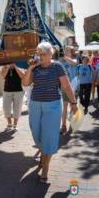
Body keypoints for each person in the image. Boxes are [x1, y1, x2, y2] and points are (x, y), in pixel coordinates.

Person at [22, 42, 78, 183]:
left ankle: (45, 168)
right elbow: (26, 83)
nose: (40, 56)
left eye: (43, 54)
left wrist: (73, 103)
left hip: (53, 106)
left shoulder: (57, 66)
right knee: (37, 134)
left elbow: (66, 85)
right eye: (38, 53)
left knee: (49, 136)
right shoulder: (35, 67)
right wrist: (30, 68)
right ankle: (43, 154)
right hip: (35, 105)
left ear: (50, 54)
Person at [1, 63, 25, 131]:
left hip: (19, 91)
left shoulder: (20, 67)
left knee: (17, 108)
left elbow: (22, 76)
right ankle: (9, 124)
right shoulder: (4, 67)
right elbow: (3, 76)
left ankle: (15, 125)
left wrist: (15, 67)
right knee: (6, 108)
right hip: (7, 91)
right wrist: (8, 67)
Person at [59, 46, 77, 135]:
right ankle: (63, 126)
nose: (65, 52)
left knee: (73, 105)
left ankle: (72, 125)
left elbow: (73, 63)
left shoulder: (75, 59)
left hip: (73, 86)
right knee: (64, 106)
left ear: (72, 52)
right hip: (64, 87)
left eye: (67, 51)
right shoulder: (61, 62)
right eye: (64, 51)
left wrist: (65, 57)